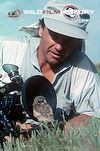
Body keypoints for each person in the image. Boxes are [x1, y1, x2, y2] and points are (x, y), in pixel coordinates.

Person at [0, 0, 100, 135]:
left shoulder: (83, 68)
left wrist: (50, 136)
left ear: (78, 41)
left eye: (69, 40)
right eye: (54, 36)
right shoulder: (8, 48)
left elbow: (94, 116)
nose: (59, 47)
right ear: (41, 28)